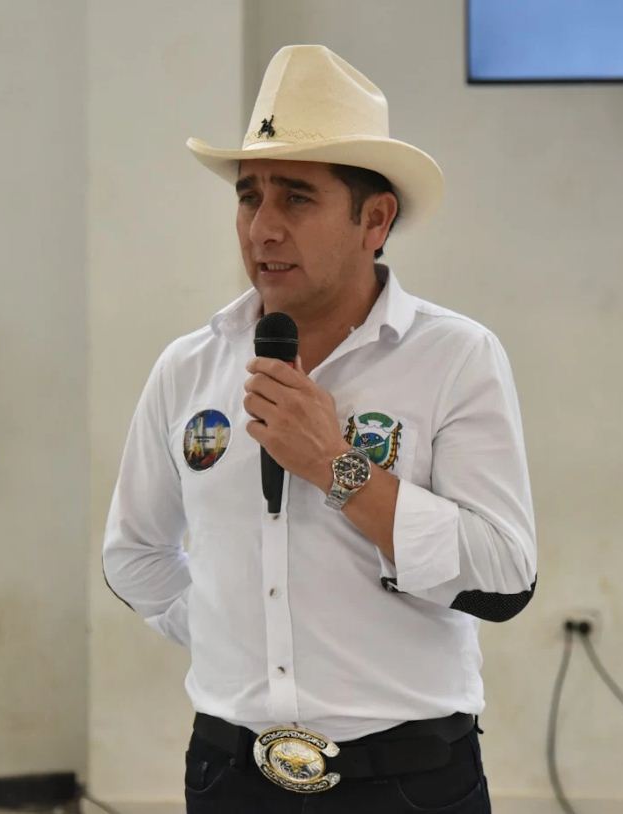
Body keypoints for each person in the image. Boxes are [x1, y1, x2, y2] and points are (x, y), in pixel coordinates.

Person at [102, 44, 537, 813]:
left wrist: (337, 466)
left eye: (296, 198)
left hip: (409, 782)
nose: (262, 229)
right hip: (229, 775)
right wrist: (232, 633)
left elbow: (503, 577)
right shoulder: (188, 367)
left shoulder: (453, 357)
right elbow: (134, 554)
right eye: (248, 197)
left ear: (375, 219)